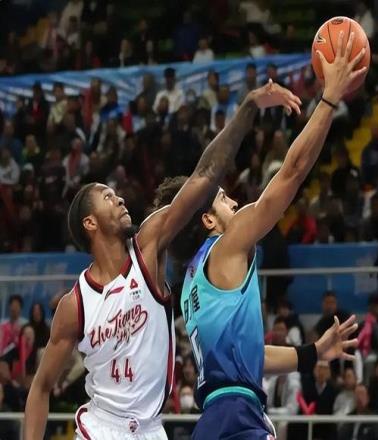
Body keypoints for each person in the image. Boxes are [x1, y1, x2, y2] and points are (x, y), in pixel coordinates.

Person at [24, 80, 302, 439]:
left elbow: (205, 175)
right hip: (101, 427)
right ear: (90, 223)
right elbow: (41, 387)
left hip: (152, 429)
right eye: (108, 197)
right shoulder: (75, 304)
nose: (120, 199)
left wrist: (248, 107)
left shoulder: (148, 247)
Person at [155, 33, 366, 439]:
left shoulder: (191, 286)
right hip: (237, 418)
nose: (234, 201)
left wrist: (313, 353)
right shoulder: (226, 246)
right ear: (208, 221)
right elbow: (291, 173)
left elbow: (250, 355)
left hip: (214, 421)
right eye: (223, 199)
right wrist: (329, 99)